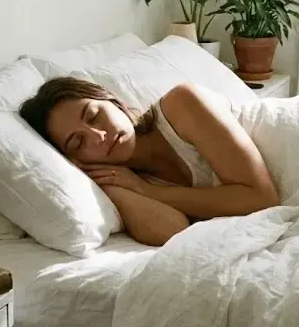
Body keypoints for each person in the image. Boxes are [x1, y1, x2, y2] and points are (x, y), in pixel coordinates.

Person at [19, 77, 279, 247]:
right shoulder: (129, 181)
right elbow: (173, 231)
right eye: (78, 143)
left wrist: (151, 192)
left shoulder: (181, 104)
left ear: (110, 100)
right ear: (75, 160)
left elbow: (261, 198)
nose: (99, 136)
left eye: (94, 115)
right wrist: (107, 185)